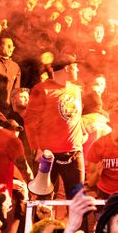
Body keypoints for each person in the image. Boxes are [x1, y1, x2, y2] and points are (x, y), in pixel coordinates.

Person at [23, 56, 84, 197]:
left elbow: (76, 116)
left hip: (74, 153)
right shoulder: (42, 89)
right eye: (75, 66)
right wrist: (36, 148)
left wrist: (82, 132)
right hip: (48, 155)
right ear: (67, 68)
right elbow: (30, 122)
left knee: (77, 199)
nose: (78, 69)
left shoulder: (76, 90)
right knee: (44, 200)